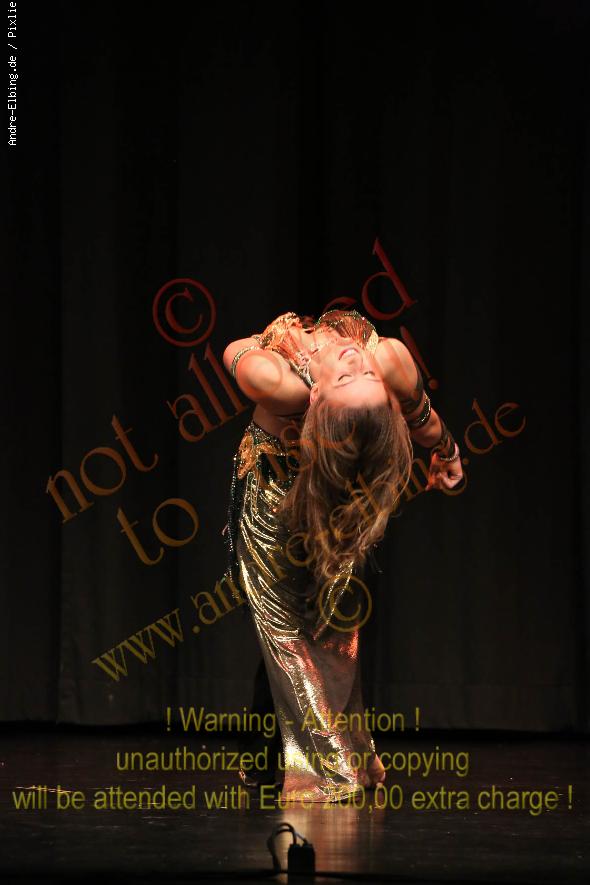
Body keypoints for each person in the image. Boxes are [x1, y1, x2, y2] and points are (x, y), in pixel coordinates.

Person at [222, 309, 463, 803]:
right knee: (291, 630)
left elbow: (234, 351)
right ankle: (282, 761)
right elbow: (423, 420)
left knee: (313, 631)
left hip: (314, 498)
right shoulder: (384, 359)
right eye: (365, 375)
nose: (356, 360)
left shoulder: (275, 379)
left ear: (316, 400)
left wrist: (268, 342)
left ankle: (322, 769)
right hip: (302, 492)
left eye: (353, 377)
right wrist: (449, 451)